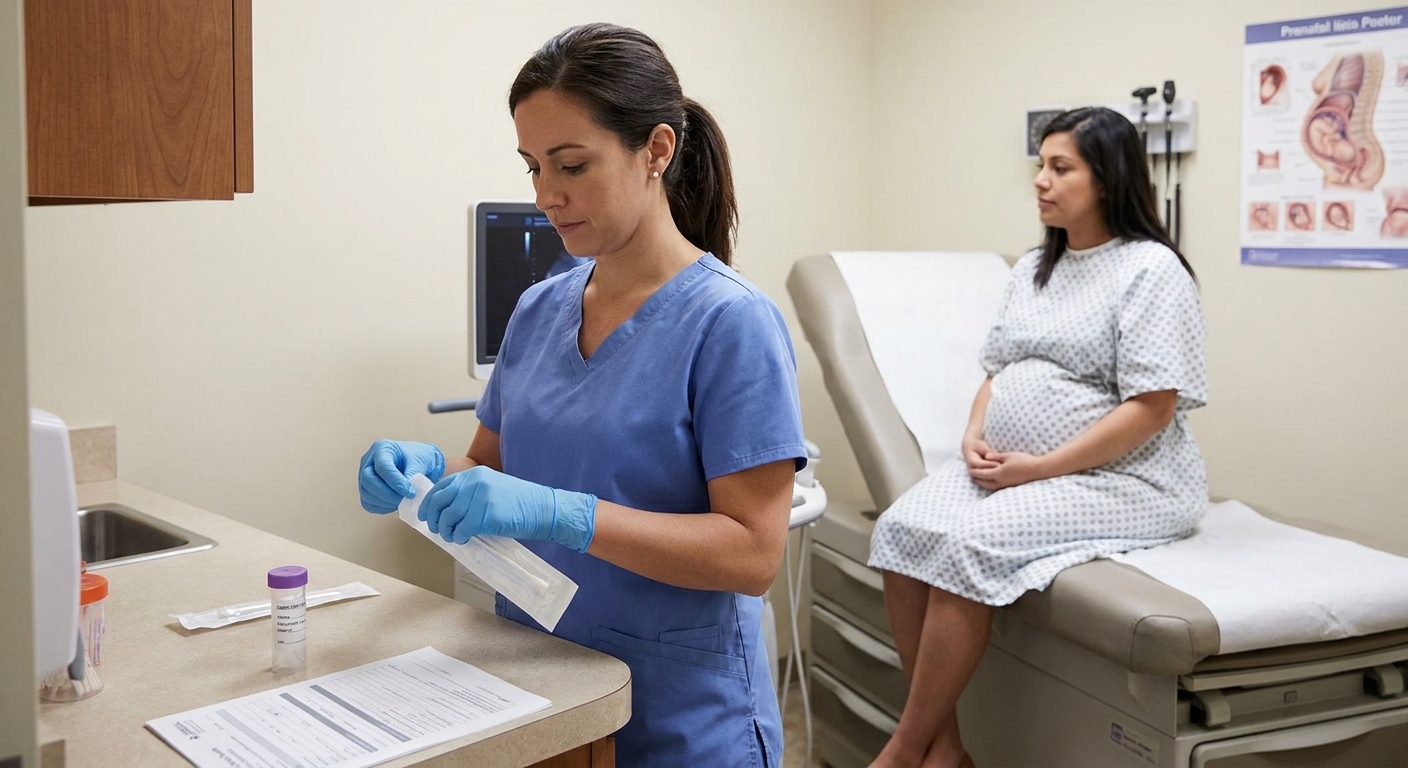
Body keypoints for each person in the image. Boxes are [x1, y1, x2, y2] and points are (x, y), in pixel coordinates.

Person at [356, 23, 805, 768]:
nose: (545, 195)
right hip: (543, 692)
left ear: (656, 150)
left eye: (571, 164)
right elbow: (489, 470)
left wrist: (560, 514)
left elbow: (753, 553)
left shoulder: (731, 322)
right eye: (532, 166)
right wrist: (425, 471)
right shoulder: (540, 309)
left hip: (681, 715)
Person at [866, 107, 1206, 768]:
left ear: (1106, 179)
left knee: (969, 543)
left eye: (1060, 167)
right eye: (1040, 167)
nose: (1040, 182)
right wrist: (972, 435)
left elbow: (1152, 407)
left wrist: (1042, 467)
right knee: (902, 530)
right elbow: (998, 370)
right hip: (1021, 467)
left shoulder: (1150, 269)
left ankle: (907, 751)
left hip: (1128, 479)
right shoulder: (1034, 267)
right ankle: (948, 751)